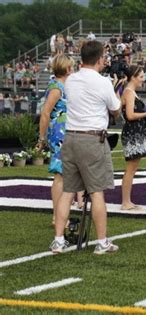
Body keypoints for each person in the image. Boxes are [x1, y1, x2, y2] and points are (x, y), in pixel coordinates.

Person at [49, 40, 121, 255]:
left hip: (70, 138)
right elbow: (116, 110)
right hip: (92, 138)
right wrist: (116, 91)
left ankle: (59, 240)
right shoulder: (102, 82)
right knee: (97, 192)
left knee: (68, 191)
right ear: (100, 59)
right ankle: (102, 242)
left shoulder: (70, 80)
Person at [37, 55, 79, 226]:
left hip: (65, 131)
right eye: (72, 67)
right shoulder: (57, 88)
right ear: (67, 69)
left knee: (65, 174)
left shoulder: (62, 86)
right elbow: (45, 112)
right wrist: (42, 137)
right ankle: (57, 216)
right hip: (60, 133)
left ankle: (60, 214)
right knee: (60, 175)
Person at [120, 65, 146, 210]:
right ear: (133, 77)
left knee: (132, 168)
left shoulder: (131, 92)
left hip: (136, 131)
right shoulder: (129, 92)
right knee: (130, 169)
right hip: (133, 132)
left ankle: (127, 201)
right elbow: (130, 115)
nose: (143, 79)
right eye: (141, 76)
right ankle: (125, 202)